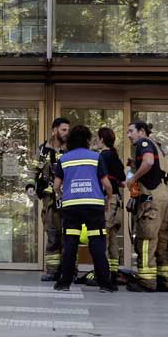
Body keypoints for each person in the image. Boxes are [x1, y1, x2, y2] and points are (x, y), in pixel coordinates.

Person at [52, 125, 114, 293]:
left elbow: (56, 186)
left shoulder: (64, 159)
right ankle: (105, 284)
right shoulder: (96, 157)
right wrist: (108, 199)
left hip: (71, 206)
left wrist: (61, 195)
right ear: (87, 140)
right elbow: (107, 184)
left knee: (70, 244)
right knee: (97, 244)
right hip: (94, 206)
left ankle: (64, 283)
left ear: (70, 140)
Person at [125, 120, 168, 292]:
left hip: (151, 199)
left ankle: (146, 281)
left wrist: (133, 178)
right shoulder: (157, 146)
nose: (129, 135)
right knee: (161, 241)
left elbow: (148, 162)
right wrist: (134, 165)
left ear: (142, 131)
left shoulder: (143, 143)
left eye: (131, 131)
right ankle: (164, 280)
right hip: (163, 196)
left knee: (146, 240)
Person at [25, 117, 70, 281]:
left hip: (68, 199)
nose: (67, 133)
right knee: (52, 235)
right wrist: (30, 186)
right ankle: (52, 271)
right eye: (64, 130)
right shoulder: (43, 150)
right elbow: (33, 170)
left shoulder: (71, 149)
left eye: (68, 130)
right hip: (49, 200)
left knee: (69, 236)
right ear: (54, 131)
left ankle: (69, 270)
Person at [96, 127, 125, 283]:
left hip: (107, 200)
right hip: (117, 199)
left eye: (98, 138)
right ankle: (113, 271)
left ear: (102, 139)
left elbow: (101, 179)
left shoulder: (102, 156)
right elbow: (121, 181)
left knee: (102, 237)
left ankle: (102, 273)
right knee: (113, 238)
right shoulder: (115, 156)